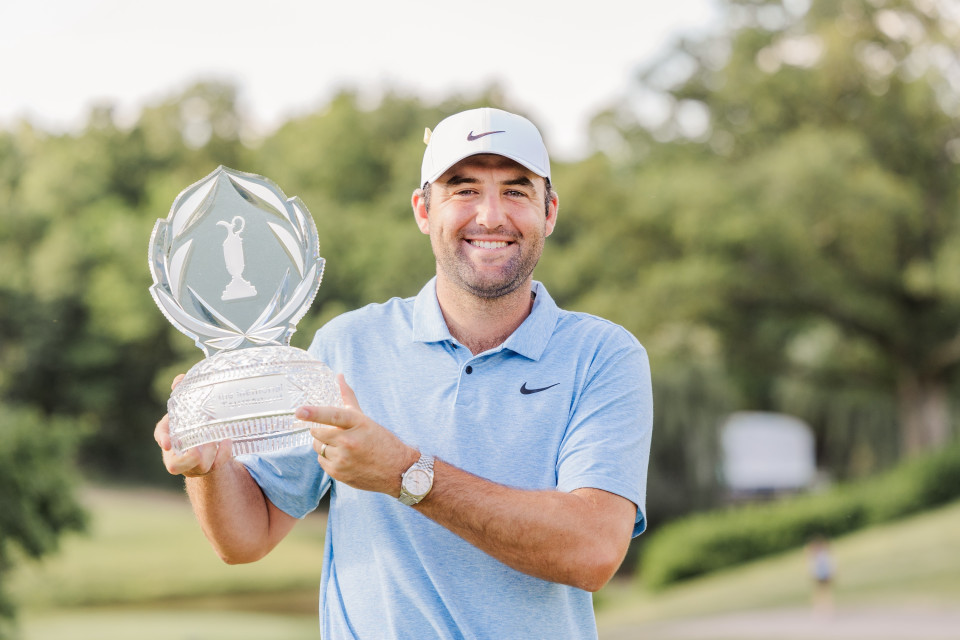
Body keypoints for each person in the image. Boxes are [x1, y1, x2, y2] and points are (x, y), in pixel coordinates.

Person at [155, 107, 653, 639]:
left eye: (515, 190)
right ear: (423, 209)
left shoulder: (603, 355)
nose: (489, 216)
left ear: (549, 211)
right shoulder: (347, 343)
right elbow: (247, 538)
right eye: (462, 190)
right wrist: (208, 469)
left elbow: (593, 550)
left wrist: (402, 472)